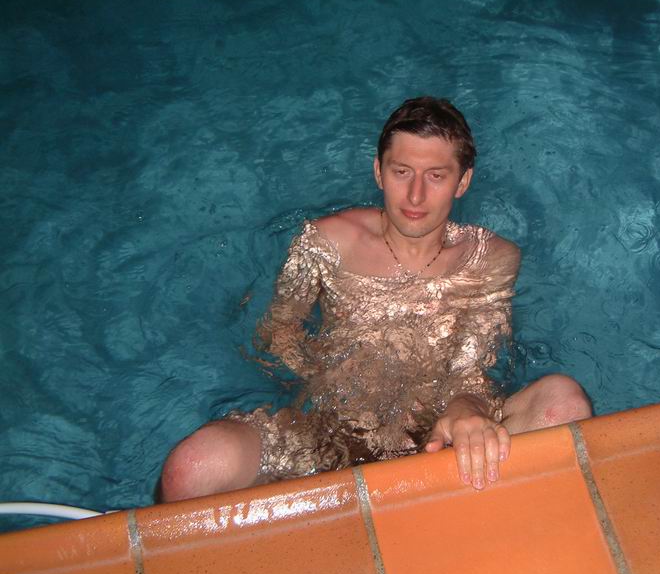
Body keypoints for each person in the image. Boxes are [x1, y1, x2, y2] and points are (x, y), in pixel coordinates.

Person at [160, 96, 591, 502]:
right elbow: (276, 334)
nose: (415, 196)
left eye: (436, 176)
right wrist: (326, 374)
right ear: (379, 172)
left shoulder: (490, 258)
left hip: (438, 437)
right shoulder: (326, 241)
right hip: (323, 435)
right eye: (402, 172)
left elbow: (471, 369)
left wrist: (465, 409)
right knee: (193, 467)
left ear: (463, 182)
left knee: (563, 404)